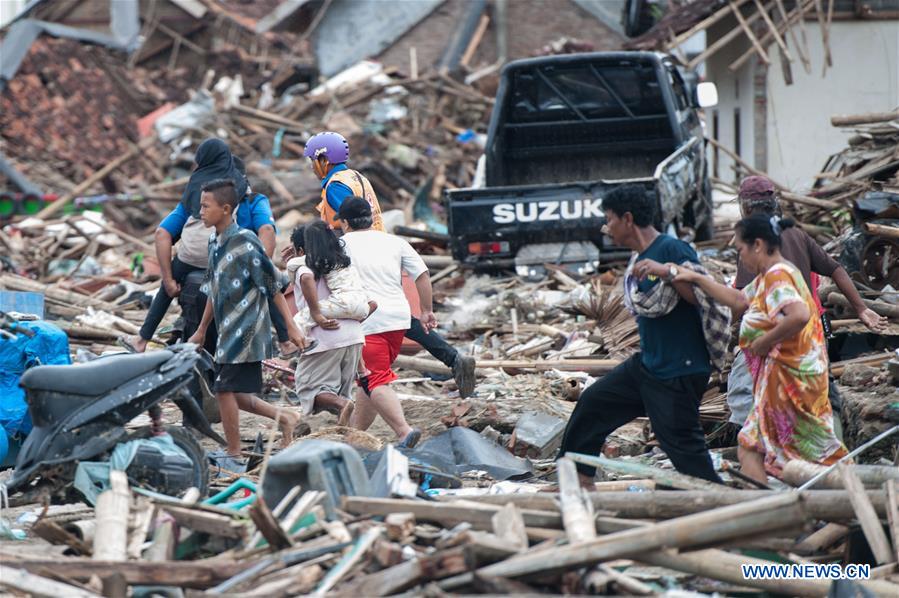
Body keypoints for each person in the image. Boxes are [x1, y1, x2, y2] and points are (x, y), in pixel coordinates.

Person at [558, 184, 723, 487]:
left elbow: (698, 297)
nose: (607, 227)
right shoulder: (638, 258)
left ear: (628, 219)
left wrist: (666, 272)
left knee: (683, 449)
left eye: (610, 219)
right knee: (593, 404)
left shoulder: (672, 250)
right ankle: (578, 481)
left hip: (679, 370)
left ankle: (727, 504)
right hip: (649, 365)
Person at [672, 214, 848, 483]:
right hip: (781, 384)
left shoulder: (778, 275)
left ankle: (823, 504)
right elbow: (738, 300)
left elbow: (798, 315)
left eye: (741, 250)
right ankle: (776, 511)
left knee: (791, 451)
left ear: (757, 245)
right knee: (754, 447)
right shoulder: (769, 277)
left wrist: (764, 342)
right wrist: (697, 278)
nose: (741, 258)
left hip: (792, 385)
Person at [301, 131, 476, 398]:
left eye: (314, 160)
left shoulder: (335, 185)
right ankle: (452, 358)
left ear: (324, 158)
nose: (312, 167)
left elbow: (345, 217)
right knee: (398, 313)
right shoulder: (357, 177)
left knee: (363, 316)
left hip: (357, 251)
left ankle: (355, 383)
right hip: (380, 245)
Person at [726, 176, 887, 429]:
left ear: (745, 207)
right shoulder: (796, 234)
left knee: (742, 396)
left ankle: (757, 447)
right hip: (810, 334)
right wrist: (861, 308)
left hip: (776, 335)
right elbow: (836, 269)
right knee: (818, 393)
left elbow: (740, 300)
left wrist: (726, 333)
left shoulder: (753, 242)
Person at [187, 179, 308, 471]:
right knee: (237, 393)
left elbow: (272, 287)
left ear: (226, 209)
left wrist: (290, 327)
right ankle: (286, 418)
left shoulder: (246, 241)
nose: (200, 211)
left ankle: (234, 453)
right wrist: (202, 329)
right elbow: (213, 291)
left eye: (206, 206)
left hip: (248, 328)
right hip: (227, 329)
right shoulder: (214, 242)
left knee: (224, 390)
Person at [335, 197, 434, 449]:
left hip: (368, 319)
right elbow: (422, 274)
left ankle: (404, 431)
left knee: (374, 378)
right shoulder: (394, 242)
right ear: (371, 218)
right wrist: (426, 311)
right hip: (398, 320)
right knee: (367, 379)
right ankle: (355, 436)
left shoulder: (340, 245)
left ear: (344, 222)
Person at [287, 223, 364, 424]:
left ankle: (342, 406)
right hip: (354, 336)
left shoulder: (304, 266)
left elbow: (306, 277)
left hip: (326, 336)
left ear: (302, 250)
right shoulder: (339, 266)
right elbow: (369, 303)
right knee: (341, 391)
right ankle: (345, 431)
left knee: (309, 388)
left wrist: (316, 313)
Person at [292, 220, 375, 334]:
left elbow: (296, 267)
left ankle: (300, 344)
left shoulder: (320, 260)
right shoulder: (345, 262)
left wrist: (316, 314)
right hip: (363, 306)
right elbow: (374, 304)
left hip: (343, 303)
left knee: (301, 317)